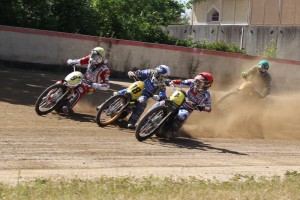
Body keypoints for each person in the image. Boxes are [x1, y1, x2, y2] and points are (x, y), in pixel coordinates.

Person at [159, 72, 213, 138]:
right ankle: (151, 115)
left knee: (182, 116)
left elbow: (209, 108)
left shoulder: (207, 95)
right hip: (179, 100)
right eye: (197, 81)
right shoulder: (192, 82)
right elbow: (181, 82)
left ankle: (171, 131)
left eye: (200, 83)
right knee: (164, 102)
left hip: (187, 108)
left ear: (206, 85)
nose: (197, 84)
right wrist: (171, 82)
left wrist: (202, 107)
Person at [64, 47, 111, 114]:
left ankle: (68, 106)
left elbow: (107, 86)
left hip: (91, 86)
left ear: (100, 58)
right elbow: (80, 61)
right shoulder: (89, 58)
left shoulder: (105, 70)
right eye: (92, 54)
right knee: (68, 81)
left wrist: (95, 85)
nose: (92, 57)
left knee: (81, 88)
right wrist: (72, 61)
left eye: (95, 56)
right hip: (83, 79)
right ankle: (51, 96)